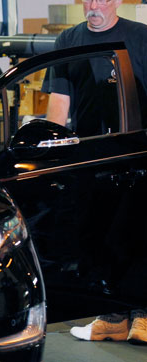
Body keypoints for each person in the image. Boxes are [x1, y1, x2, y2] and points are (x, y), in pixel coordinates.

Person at [42, 0, 147, 344]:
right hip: (89, 161)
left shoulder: (141, 37)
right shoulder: (67, 41)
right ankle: (112, 318)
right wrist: (46, 154)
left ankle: (143, 317)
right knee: (95, 236)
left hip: (137, 159)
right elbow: (59, 104)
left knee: (134, 235)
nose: (95, 4)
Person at [44, 0, 147, 136]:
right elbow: (59, 98)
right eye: (88, 0)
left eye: (101, 0)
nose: (93, 6)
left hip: (133, 146)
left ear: (117, 2)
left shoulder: (141, 36)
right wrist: (50, 144)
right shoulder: (67, 40)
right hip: (87, 144)